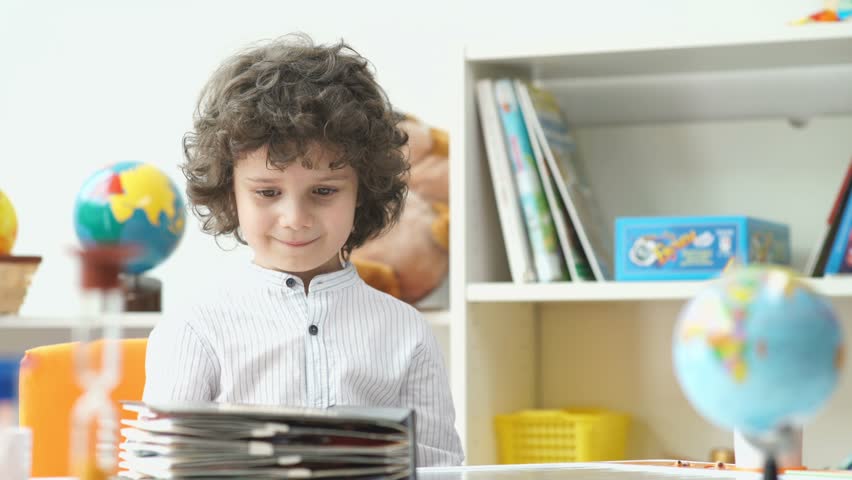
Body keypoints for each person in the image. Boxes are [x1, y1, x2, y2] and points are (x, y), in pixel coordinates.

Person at [142, 33, 464, 466]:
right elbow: (155, 470)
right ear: (229, 191)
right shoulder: (194, 328)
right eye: (268, 192)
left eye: (324, 190)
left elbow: (438, 469)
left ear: (362, 192)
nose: (295, 217)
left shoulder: (407, 333)